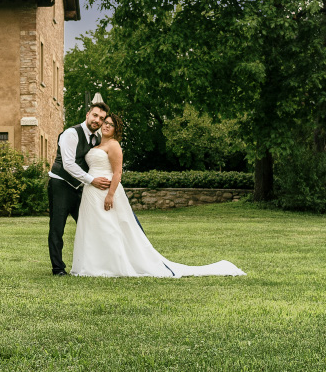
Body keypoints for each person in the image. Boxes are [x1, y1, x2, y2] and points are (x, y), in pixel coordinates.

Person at [72, 115, 244, 278]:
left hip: (107, 190)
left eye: (111, 124)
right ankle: (92, 264)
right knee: (93, 226)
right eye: (106, 122)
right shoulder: (95, 145)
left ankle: (113, 264)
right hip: (91, 191)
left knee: (110, 227)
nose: (107, 125)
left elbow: (117, 172)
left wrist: (110, 195)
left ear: (116, 129)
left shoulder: (114, 145)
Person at [47, 102, 111, 276]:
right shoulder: (71, 133)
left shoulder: (97, 139)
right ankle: (58, 268)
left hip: (80, 187)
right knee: (57, 227)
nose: (97, 120)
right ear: (88, 114)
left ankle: (92, 264)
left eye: (102, 118)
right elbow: (68, 164)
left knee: (89, 225)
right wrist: (92, 181)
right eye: (95, 115)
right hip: (60, 184)